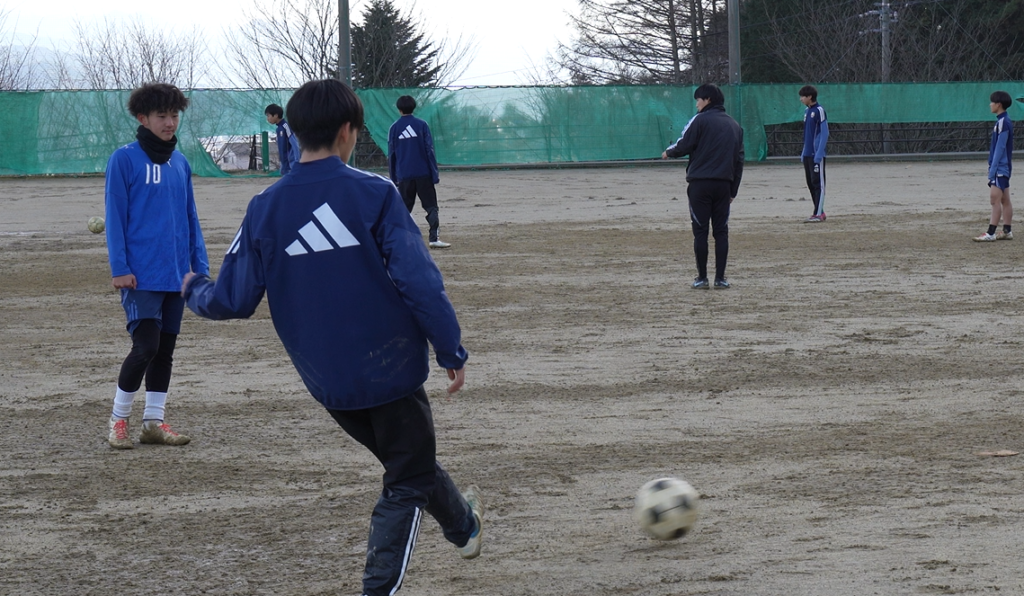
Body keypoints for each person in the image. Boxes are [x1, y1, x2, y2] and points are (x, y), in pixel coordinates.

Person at [181, 79, 482, 596]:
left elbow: (232, 299)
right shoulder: (373, 193)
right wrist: (449, 347)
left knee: (408, 459)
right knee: (406, 478)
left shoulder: (264, 206)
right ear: (349, 132)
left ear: (292, 131)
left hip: (327, 380)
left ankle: (465, 528)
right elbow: (419, 281)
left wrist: (193, 288)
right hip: (390, 370)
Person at [104, 82, 209, 449]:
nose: (170, 122)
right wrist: (119, 267)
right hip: (139, 274)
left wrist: (200, 266)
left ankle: (153, 423)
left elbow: (190, 217)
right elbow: (115, 218)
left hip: (176, 274)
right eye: (162, 116)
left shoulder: (180, 163)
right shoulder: (124, 159)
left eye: (175, 115)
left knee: (165, 350)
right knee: (145, 346)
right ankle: (119, 420)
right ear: (142, 118)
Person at [662, 83, 744, 289]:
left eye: (698, 99)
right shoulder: (735, 125)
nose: (697, 104)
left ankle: (702, 278)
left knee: (700, 231)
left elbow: (684, 144)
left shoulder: (699, 120)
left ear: (707, 100)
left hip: (700, 184)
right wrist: (733, 190)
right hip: (724, 185)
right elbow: (739, 160)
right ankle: (721, 278)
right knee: (721, 231)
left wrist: (668, 152)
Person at [387, 95, 450, 248]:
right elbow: (430, 150)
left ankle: (400, 239)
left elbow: (392, 154)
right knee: (431, 207)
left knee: (403, 209)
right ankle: (434, 239)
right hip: (424, 174)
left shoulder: (394, 128)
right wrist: (434, 174)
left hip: (404, 175)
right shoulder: (422, 125)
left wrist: (393, 177)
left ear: (399, 109)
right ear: (414, 107)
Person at [974, 91, 1014, 242]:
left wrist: (993, 169)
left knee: (994, 200)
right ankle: (1007, 231)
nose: (990, 105)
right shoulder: (1003, 121)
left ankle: (990, 233)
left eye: (992, 102)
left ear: (999, 104)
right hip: (1004, 167)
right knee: (1005, 200)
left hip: (1000, 168)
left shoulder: (1003, 122)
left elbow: (1000, 148)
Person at [799, 85, 829, 223]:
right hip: (807, 154)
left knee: (818, 183)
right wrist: (804, 151)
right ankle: (819, 211)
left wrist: (819, 152)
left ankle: (818, 214)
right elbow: (807, 134)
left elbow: (824, 133)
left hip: (816, 154)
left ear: (810, 97)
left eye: (803, 96)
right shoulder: (806, 112)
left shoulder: (819, 110)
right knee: (810, 183)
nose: (801, 99)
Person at [265, 103, 301, 175]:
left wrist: (297, 160)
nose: (268, 118)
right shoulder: (279, 129)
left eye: (268, 116)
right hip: (284, 163)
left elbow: (295, 144)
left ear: (275, 115)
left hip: (291, 163)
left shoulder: (286, 126)